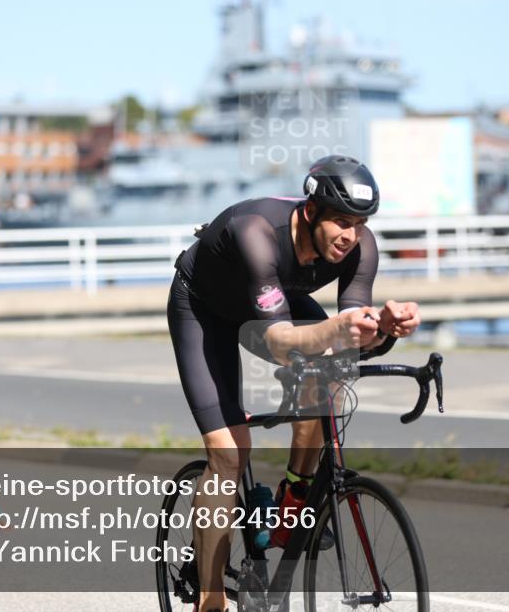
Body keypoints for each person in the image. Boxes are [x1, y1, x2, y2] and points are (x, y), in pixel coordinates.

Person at [167, 154, 421, 612]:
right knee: (229, 454)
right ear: (310, 212)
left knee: (333, 383)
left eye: (359, 224)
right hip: (204, 311)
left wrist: (383, 329)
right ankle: (211, 598)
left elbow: (350, 337)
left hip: (275, 306)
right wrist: (342, 331)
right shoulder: (255, 232)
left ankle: (294, 497)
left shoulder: (360, 248)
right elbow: (280, 341)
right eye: (341, 222)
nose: (350, 236)